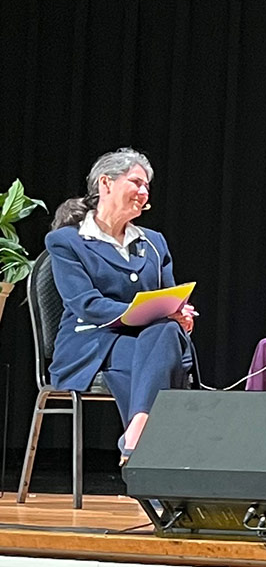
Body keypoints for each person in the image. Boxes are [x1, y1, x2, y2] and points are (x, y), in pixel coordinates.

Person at [44, 148, 197, 463]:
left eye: (147, 187)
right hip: (91, 344)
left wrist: (181, 312)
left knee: (166, 332)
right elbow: (86, 304)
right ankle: (155, 470)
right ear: (106, 183)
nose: (143, 192)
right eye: (136, 182)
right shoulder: (67, 241)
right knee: (158, 364)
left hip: (151, 341)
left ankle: (138, 432)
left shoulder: (154, 242)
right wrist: (146, 313)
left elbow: (169, 296)